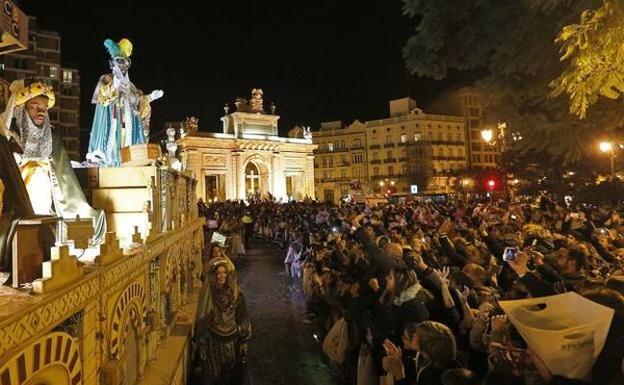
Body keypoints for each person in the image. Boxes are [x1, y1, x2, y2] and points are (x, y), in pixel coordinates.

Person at [0, 78, 106, 244]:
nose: (41, 112)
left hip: (45, 210)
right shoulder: (9, 139)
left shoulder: (52, 138)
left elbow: (65, 181)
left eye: (44, 108)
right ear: (22, 109)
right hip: (16, 210)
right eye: (35, 107)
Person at [86, 38, 163, 166]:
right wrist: (115, 84)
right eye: (119, 63)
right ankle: (108, 159)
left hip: (127, 123)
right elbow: (102, 97)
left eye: (124, 64)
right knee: (113, 143)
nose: (122, 67)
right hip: (112, 120)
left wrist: (150, 97)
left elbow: (138, 101)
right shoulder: (106, 79)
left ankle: (126, 160)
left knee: (126, 142)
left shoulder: (130, 86)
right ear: (112, 64)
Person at [194, 257, 251, 385]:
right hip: (212, 344)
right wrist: (200, 343)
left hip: (232, 342)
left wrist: (244, 341)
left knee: (230, 377)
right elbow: (202, 317)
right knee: (213, 377)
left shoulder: (236, 294)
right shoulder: (208, 295)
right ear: (213, 275)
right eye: (218, 273)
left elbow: (242, 317)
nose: (222, 276)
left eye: (224, 272)